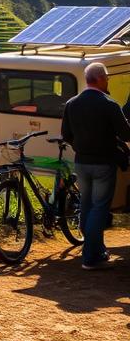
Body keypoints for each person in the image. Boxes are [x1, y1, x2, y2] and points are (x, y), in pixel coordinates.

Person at [62, 62, 130, 270]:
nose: (108, 80)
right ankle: (90, 258)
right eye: (107, 77)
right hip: (103, 164)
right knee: (99, 208)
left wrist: (80, 147)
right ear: (100, 79)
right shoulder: (109, 105)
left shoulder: (71, 104)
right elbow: (126, 134)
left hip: (81, 162)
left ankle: (97, 250)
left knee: (87, 205)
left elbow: (66, 135)